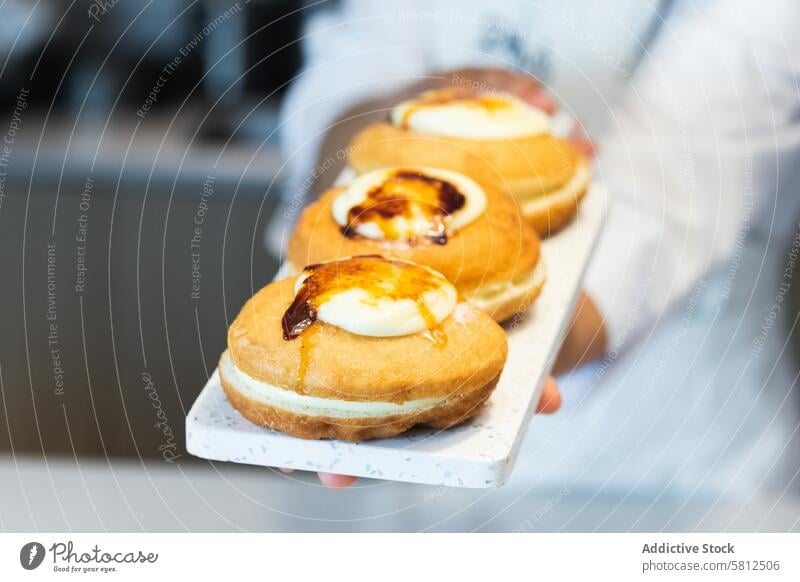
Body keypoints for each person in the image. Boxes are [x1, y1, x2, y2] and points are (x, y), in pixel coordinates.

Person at [274, 0, 800, 500]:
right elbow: (338, 95)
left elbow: (660, 203)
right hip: (403, 484)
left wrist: (506, 351)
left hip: (665, 469)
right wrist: (400, 111)